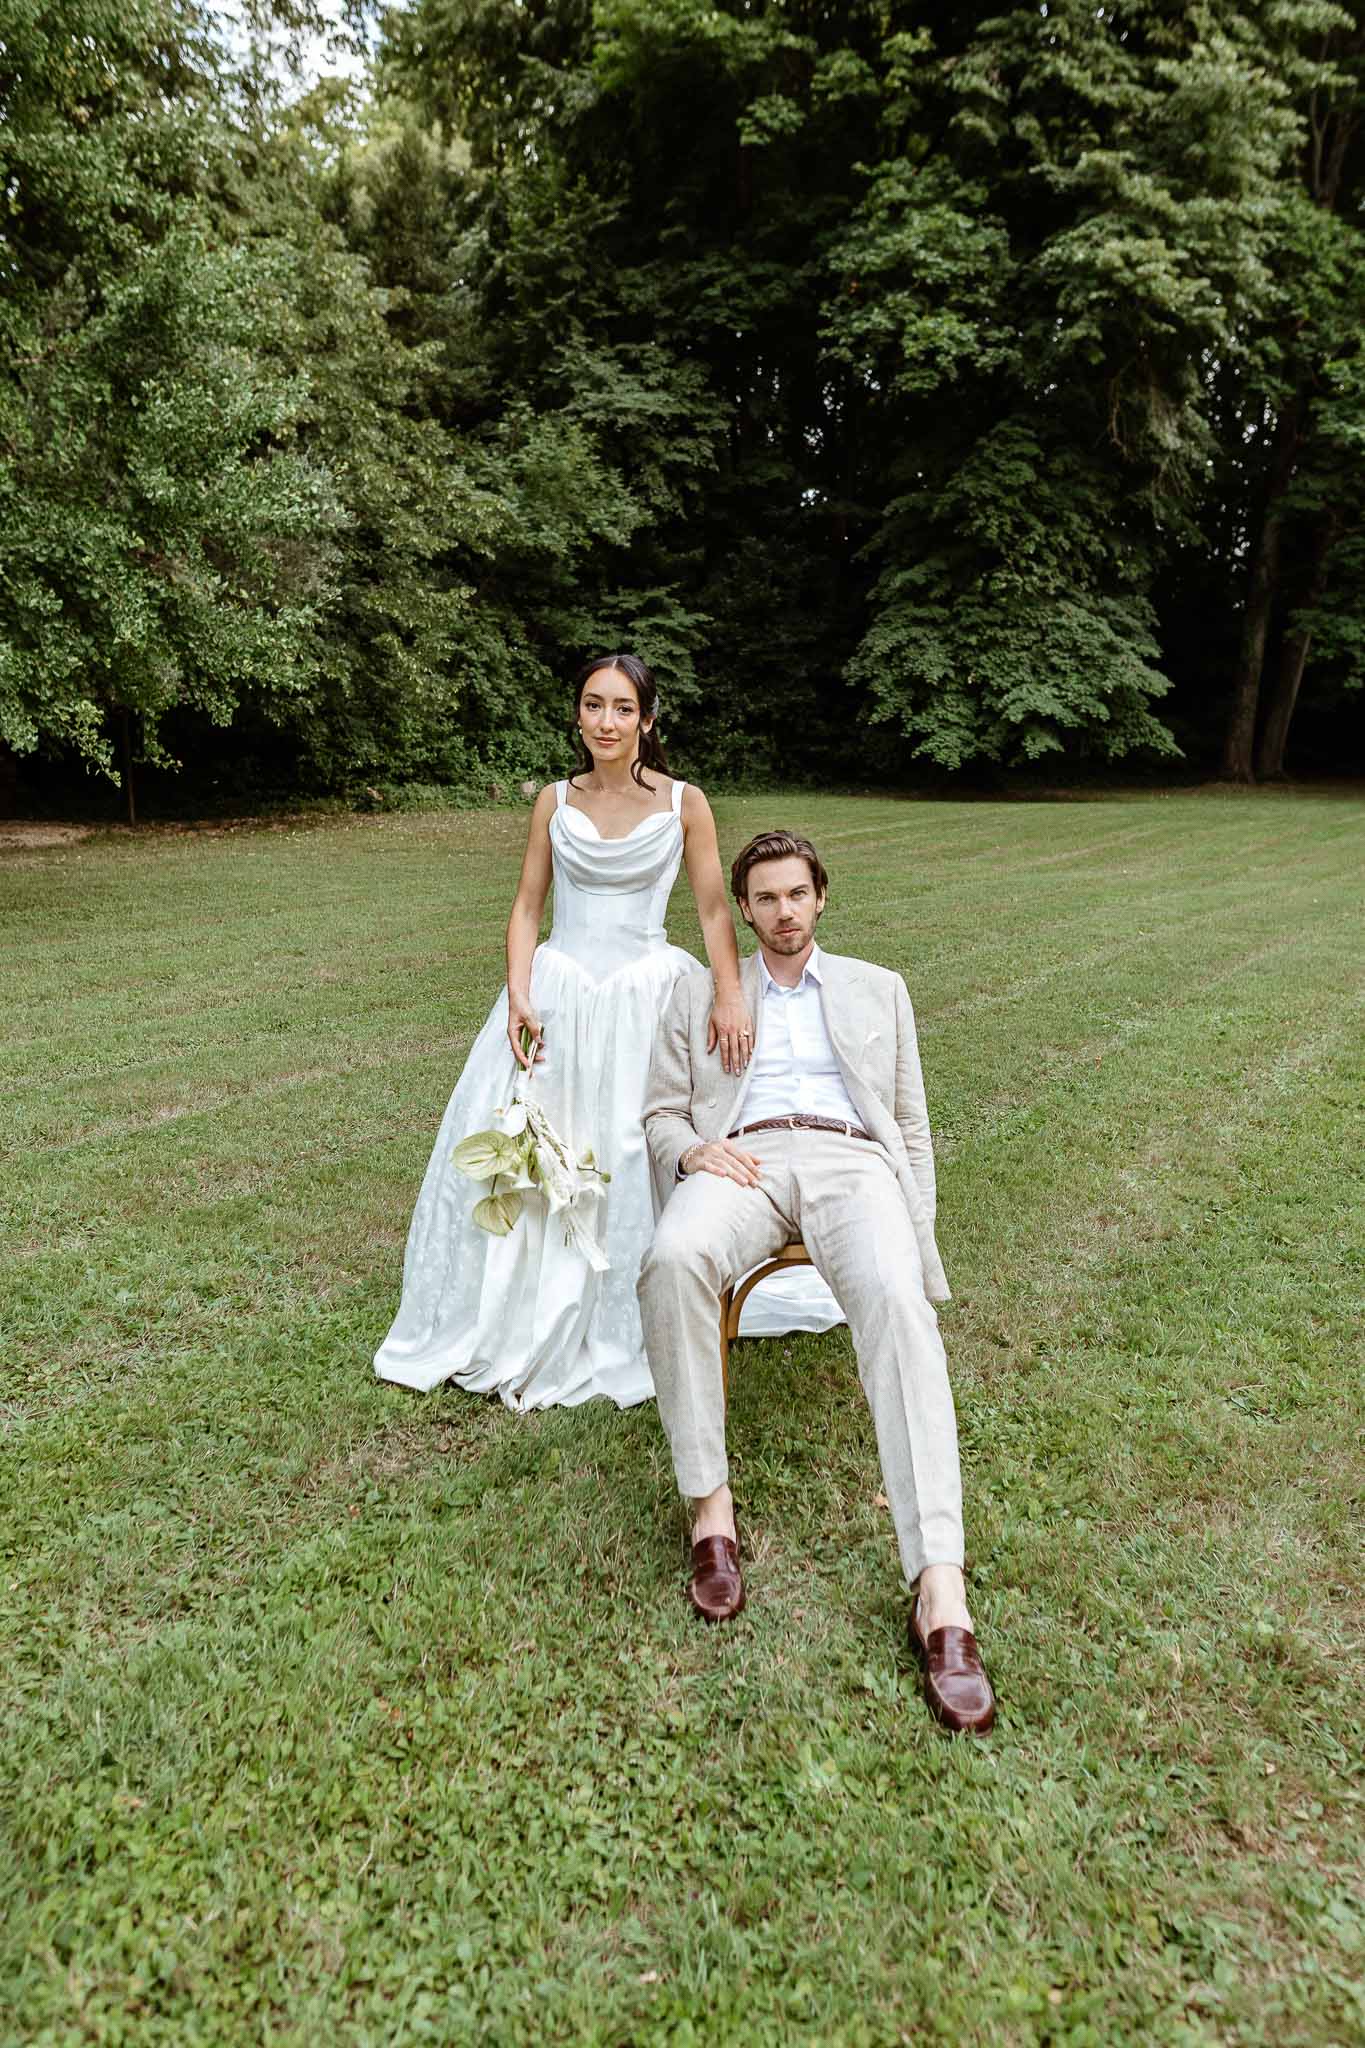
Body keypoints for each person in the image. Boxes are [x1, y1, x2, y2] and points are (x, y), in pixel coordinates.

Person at [373, 657, 840, 1408]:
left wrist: (727, 995)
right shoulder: (553, 803)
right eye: (593, 706)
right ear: (577, 716)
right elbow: (528, 907)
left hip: (646, 995)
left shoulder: (685, 802)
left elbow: (716, 911)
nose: (605, 722)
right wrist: (519, 993)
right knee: (534, 1142)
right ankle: (519, 1306)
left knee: (633, 1143)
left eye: (622, 709)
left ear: (647, 721)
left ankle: (647, 1301)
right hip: (558, 992)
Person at [636, 830, 996, 1735]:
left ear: (820, 898)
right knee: (673, 1259)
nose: (783, 911)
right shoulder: (698, 992)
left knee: (894, 1299)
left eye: (797, 894)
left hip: (851, 1164)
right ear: (743, 909)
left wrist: (917, 1231)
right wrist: (691, 1150)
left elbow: (909, 1125)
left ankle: (939, 1588)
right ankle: (709, 1513)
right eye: (764, 898)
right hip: (743, 1158)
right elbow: (657, 1113)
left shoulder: (880, 988)